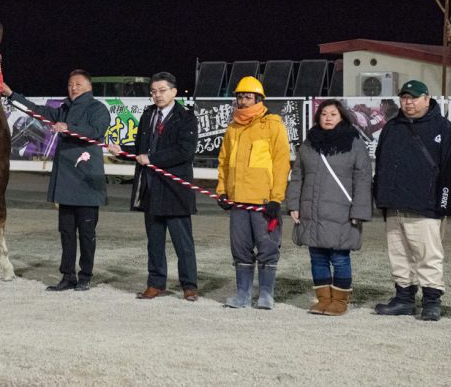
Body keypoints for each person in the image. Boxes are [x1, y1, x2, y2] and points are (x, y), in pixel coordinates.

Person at [2, 69, 109, 291]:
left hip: (87, 180)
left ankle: (85, 276)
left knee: (87, 233)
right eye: (70, 84)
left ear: (89, 87)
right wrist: (12, 95)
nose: (73, 87)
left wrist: (69, 128)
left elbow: (95, 131)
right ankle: (67, 275)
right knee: (66, 231)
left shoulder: (97, 108)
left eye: (78, 84)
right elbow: (37, 111)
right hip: (66, 180)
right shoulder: (64, 110)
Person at [373, 79, 451, 321]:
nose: (408, 102)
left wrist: (444, 204)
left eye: (413, 97)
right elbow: (381, 163)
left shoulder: (444, 128)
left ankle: (432, 301)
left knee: (428, 256)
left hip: (427, 206)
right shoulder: (392, 127)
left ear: (426, 98)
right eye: (404, 98)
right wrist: (381, 196)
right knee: (399, 256)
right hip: (394, 204)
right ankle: (404, 298)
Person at [111, 72, 199, 301]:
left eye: (162, 90)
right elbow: (141, 147)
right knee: (155, 241)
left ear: (174, 92)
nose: (157, 95)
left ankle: (189, 285)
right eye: (153, 91)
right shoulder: (149, 114)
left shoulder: (186, 117)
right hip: (150, 187)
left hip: (175, 190)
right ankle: (155, 283)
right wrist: (122, 150)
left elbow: (185, 152)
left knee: (183, 243)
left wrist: (153, 158)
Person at [285, 99, 372, 315]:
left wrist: (360, 211)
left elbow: (362, 178)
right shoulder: (309, 143)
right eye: (324, 114)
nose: (328, 118)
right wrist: (293, 204)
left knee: (340, 257)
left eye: (333, 114)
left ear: (342, 117)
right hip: (312, 210)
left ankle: (340, 301)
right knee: (317, 256)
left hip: (342, 210)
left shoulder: (354, 143)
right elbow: (297, 176)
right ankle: (323, 299)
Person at [216, 76, 290, 309]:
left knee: (268, 248)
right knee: (240, 248)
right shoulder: (233, 128)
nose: (243, 101)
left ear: (259, 99)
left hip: (263, 202)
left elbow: (281, 163)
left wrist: (276, 198)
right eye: (239, 97)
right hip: (238, 202)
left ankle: (266, 294)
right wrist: (222, 191)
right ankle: (243, 294)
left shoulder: (273, 125)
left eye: (247, 97)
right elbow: (224, 163)